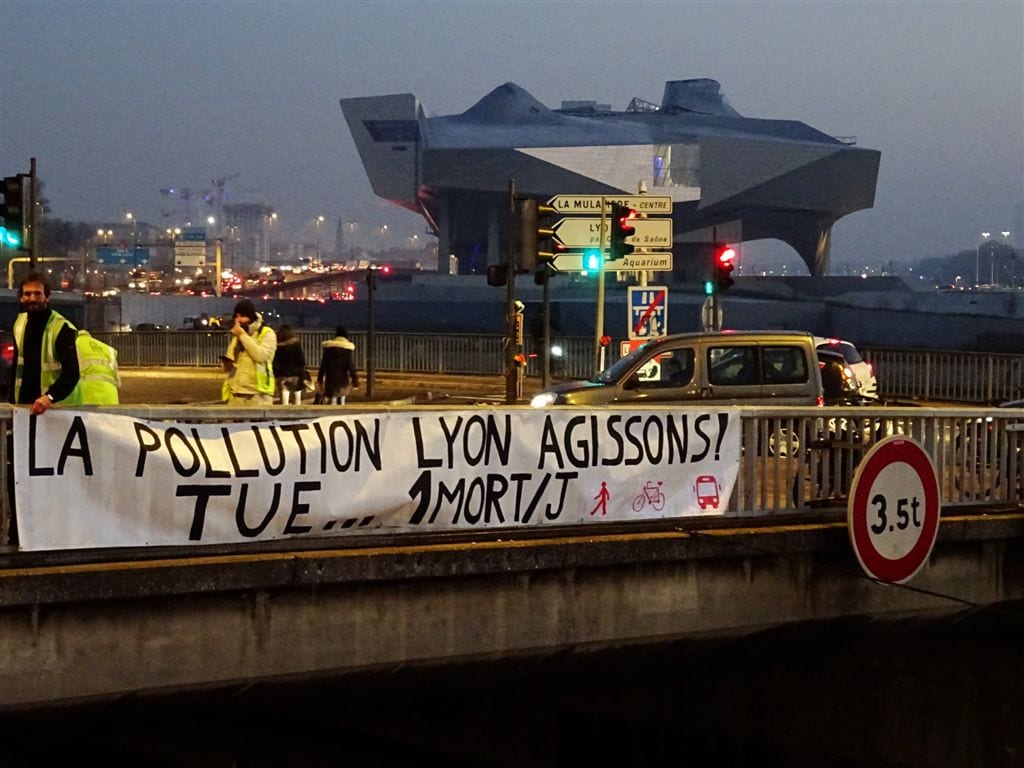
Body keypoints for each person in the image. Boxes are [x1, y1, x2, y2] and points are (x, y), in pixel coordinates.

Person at [10, 272, 81, 414]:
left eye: (38, 293)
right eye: (27, 294)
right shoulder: (19, 324)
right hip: (25, 406)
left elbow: (72, 374)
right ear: (21, 297)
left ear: (47, 297)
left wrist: (50, 397)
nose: (32, 298)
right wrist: (12, 402)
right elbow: (16, 370)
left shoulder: (61, 328)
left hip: (57, 408)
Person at [222, 299, 277, 406]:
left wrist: (243, 336)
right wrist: (226, 364)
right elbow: (229, 360)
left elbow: (260, 356)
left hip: (257, 394)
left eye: (241, 316)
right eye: (236, 316)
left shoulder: (267, 333)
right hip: (236, 392)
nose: (238, 320)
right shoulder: (238, 337)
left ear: (251, 317)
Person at [75, 329, 121, 404]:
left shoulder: (72, 346)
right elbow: (118, 382)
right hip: (111, 399)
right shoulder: (108, 349)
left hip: (85, 399)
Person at [317, 326, 359, 405]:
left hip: (330, 379)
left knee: (332, 399)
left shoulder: (328, 351)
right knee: (342, 399)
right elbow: (351, 367)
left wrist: (320, 379)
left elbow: (323, 366)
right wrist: (355, 381)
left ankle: (331, 415)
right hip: (343, 380)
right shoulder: (347, 351)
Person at [273, 325, 309, 405]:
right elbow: (301, 360)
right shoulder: (296, 345)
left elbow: (275, 361)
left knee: (284, 394)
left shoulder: (278, 347)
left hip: (282, 374)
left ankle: (284, 413)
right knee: (297, 397)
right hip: (295, 374)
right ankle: (297, 414)